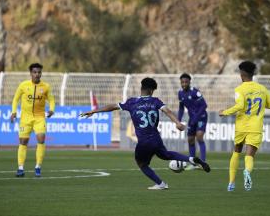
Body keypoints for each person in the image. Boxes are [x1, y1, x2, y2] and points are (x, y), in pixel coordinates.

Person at [80, 77, 210, 190]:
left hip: (143, 141)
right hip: (156, 138)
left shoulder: (132, 102)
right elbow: (168, 111)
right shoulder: (156, 101)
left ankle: (161, 183)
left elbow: (112, 106)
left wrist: (94, 111)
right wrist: (177, 123)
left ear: (142, 88)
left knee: (141, 163)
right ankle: (191, 159)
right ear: (151, 90)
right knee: (166, 155)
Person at [219, 61, 270, 191]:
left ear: (242, 74)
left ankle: (231, 184)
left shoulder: (239, 89)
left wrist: (224, 112)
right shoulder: (262, 89)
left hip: (241, 126)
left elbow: (240, 105)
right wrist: (259, 104)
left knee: (236, 151)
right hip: (256, 127)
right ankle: (247, 171)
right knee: (249, 155)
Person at [10, 63, 55, 177]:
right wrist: (14, 112)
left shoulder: (46, 87)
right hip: (26, 118)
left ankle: (38, 167)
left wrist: (51, 110)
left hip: (39, 118)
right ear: (30, 73)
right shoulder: (23, 85)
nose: (37, 74)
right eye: (35, 72)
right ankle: (20, 168)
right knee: (23, 142)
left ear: (41, 73)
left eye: (39, 72)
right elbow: (15, 99)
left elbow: (51, 100)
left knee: (41, 139)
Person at [178, 73, 208, 170]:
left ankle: (203, 162)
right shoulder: (180, 93)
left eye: (186, 82)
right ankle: (193, 163)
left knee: (199, 137)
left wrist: (196, 118)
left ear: (189, 82)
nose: (184, 84)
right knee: (190, 140)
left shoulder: (195, 92)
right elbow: (181, 108)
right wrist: (178, 120)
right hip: (192, 118)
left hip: (201, 117)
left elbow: (204, 105)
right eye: (182, 82)